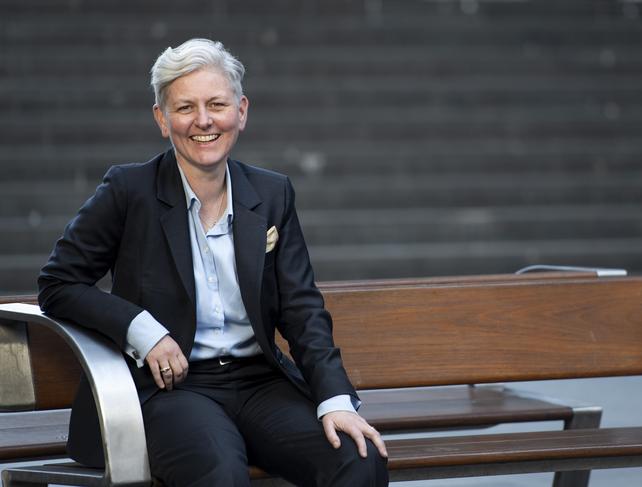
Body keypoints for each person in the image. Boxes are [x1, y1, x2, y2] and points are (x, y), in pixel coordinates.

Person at [38, 38, 388, 486]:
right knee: (219, 473)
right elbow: (58, 283)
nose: (203, 121)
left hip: (259, 382)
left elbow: (301, 308)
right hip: (172, 391)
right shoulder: (130, 190)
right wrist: (144, 331)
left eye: (216, 104)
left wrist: (336, 400)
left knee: (359, 458)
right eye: (185, 108)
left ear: (241, 111)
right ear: (162, 119)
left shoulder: (272, 193)